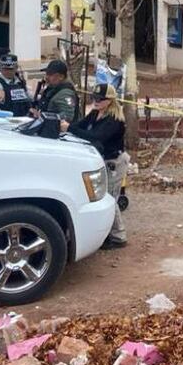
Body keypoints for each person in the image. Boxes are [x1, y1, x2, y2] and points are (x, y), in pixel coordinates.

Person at [62, 84, 127, 249]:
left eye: (100, 99)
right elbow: (80, 126)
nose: (96, 101)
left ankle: (118, 236)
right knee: (103, 197)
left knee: (110, 198)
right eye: (94, 98)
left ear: (110, 101)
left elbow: (96, 137)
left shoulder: (114, 120)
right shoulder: (95, 114)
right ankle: (108, 233)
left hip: (114, 162)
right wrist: (68, 127)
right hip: (101, 161)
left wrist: (69, 128)